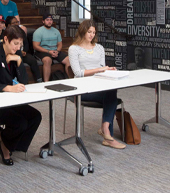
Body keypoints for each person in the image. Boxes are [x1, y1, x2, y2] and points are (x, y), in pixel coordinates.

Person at [0, 26, 42, 165]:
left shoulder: (17, 54)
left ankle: (12, 145)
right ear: (6, 39)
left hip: (9, 101)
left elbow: (24, 81)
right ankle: (4, 145)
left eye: (20, 44)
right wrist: (8, 88)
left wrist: (19, 63)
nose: (18, 47)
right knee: (20, 123)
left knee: (35, 117)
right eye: (15, 44)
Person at [68, 19, 125, 149]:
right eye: (89, 32)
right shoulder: (74, 49)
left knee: (111, 90)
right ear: (83, 31)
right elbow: (78, 72)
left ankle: (105, 129)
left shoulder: (99, 48)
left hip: (99, 85)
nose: (92, 35)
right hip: (82, 88)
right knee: (111, 97)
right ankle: (106, 132)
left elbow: (102, 67)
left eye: (93, 32)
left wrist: (108, 70)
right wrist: (100, 69)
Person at [32, 13, 67, 81]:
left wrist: (57, 51)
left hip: (55, 50)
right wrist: (49, 51)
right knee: (47, 60)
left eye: (51, 20)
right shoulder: (38, 32)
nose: (49, 21)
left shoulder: (56, 31)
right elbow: (35, 46)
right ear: (43, 21)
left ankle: (70, 80)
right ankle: (46, 83)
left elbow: (60, 44)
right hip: (42, 51)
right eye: (47, 20)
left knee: (68, 59)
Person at [6, 16, 41, 82]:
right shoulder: (7, 33)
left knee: (32, 60)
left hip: (22, 52)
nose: (16, 24)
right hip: (12, 53)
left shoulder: (21, 31)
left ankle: (38, 79)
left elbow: (26, 43)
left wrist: (24, 51)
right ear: (9, 25)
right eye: (14, 23)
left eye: (17, 22)